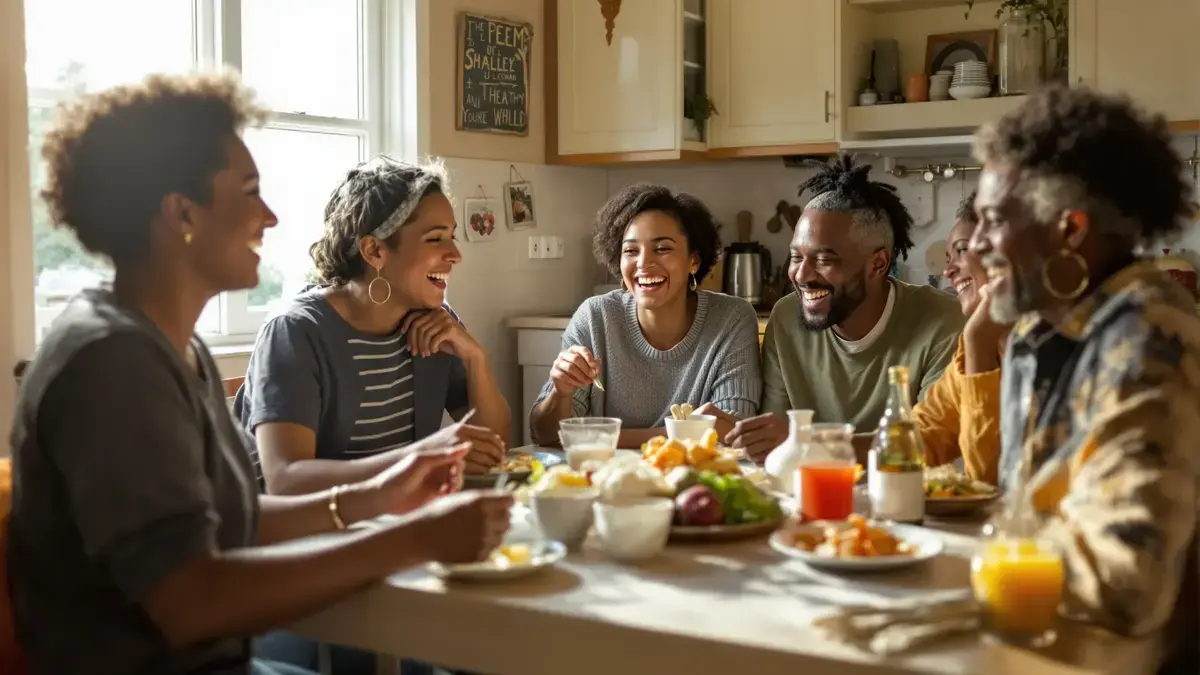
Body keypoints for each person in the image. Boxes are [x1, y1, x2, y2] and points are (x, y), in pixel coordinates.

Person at [5, 72, 513, 675]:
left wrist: (378, 494)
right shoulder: (112, 362)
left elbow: (226, 520)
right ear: (181, 213)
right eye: (248, 192)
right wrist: (413, 539)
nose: (269, 217)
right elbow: (190, 601)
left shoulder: (168, 344)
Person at [971, 85, 1197, 673]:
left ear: (1070, 231)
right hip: (1044, 640)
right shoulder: (1034, 334)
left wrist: (980, 565)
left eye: (994, 221)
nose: (976, 245)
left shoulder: (1151, 338)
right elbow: (1024, 524)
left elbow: (1124, 581)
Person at [236, 156, 512, 498]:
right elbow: (286, 480)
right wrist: (421, 457)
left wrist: (475, 359)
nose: (455, 253)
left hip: (396, 525)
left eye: (452, 237)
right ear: (374, 250)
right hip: (305, 540)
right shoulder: (294, 332)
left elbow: (495, 445)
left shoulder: (437, 325)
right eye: (435, 239)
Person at [723, 154, 964, 463]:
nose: (802, 275)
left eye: (824, 260)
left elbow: (928, 443)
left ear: (878, 263)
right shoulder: (786, 319)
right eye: (796, 257)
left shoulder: (942, 321)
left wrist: (807, 443)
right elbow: (773, 441)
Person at [528, 183, 762, 449]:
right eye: (631, 251)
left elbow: (734, 432)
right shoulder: (595, 317)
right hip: (606, 479)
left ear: (693, 261)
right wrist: (561, 392)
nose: (643, 263)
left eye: (662, 248)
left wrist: (595, 437)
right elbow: (545, 435)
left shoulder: (732, 319)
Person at [910, 191, 1010, 485]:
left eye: (962, 250)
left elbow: (989, 485)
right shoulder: (967, 354)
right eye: (948, 257)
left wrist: (978, 339)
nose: (948, 270)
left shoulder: (1052, 347)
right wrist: (824, 445)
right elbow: (923, 435)